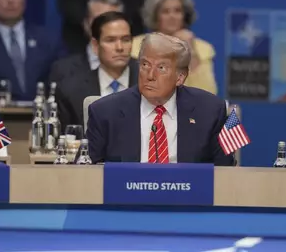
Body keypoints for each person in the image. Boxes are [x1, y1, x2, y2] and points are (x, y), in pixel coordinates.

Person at [86, 32, 233, 165]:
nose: (150, 75)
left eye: (161, 68)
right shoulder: (104, 112)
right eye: (145, 65)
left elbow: (226, 173)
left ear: (180, 77)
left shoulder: (211, 111)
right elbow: (92, 176)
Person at [56, 11, 138, 129]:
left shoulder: (150, 85)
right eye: (110, 40)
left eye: (125, 40)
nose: (120, 48)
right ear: (95, 45)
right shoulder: (70, 91)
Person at [132, 0, 217, 94]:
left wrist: (191, 50)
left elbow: (208, 92)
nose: (172, 16)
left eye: (177, 11)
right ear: (155, 16)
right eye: (165, 11)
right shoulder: (135, 46)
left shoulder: (203, 49)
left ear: (184, 15)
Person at [49, 0, 124, 84]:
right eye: (99, 20)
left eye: (112, 20)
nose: (106, 26)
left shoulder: (139, 70)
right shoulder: (63, 71)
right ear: (86, 24)